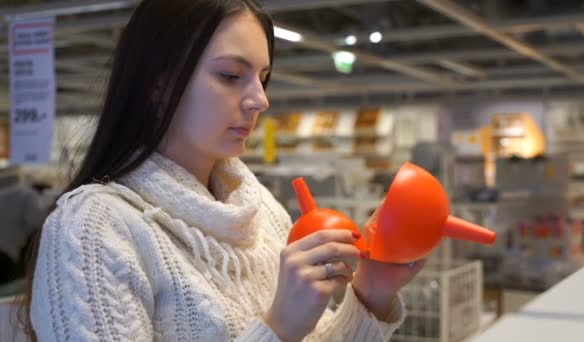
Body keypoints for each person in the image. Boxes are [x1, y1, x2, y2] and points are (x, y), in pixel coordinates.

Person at [22, 0, 425, 341]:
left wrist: (371, 293)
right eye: (231, 76)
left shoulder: (261, 211)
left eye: (263, 78)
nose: (260, 99)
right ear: (157, 86)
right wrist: (278, 328)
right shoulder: (94, 229)